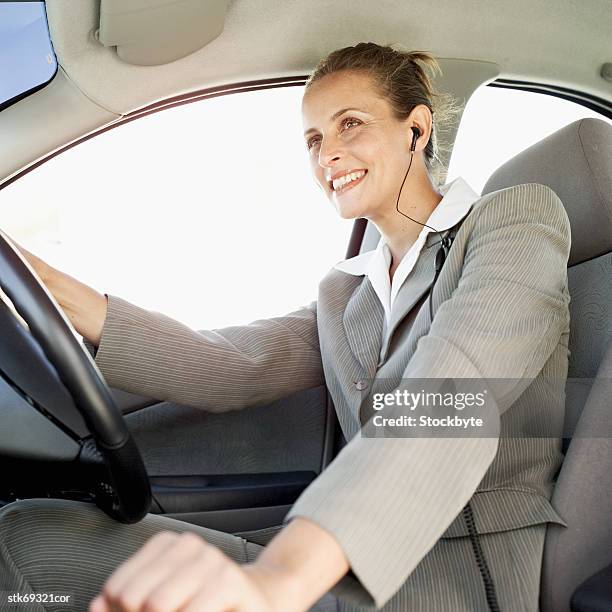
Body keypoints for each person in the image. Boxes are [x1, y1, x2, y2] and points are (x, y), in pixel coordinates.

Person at [0, 42, 571, 612]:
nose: (329, 155)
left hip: (451, 582)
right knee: (27, 536)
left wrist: (277, 579)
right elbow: (228, 366)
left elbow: (448, 398)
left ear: (416, 130)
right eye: (315, 140)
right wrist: (34, 278)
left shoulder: (513, 220)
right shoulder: (349, 292)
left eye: (351, 124)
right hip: (338, 575)